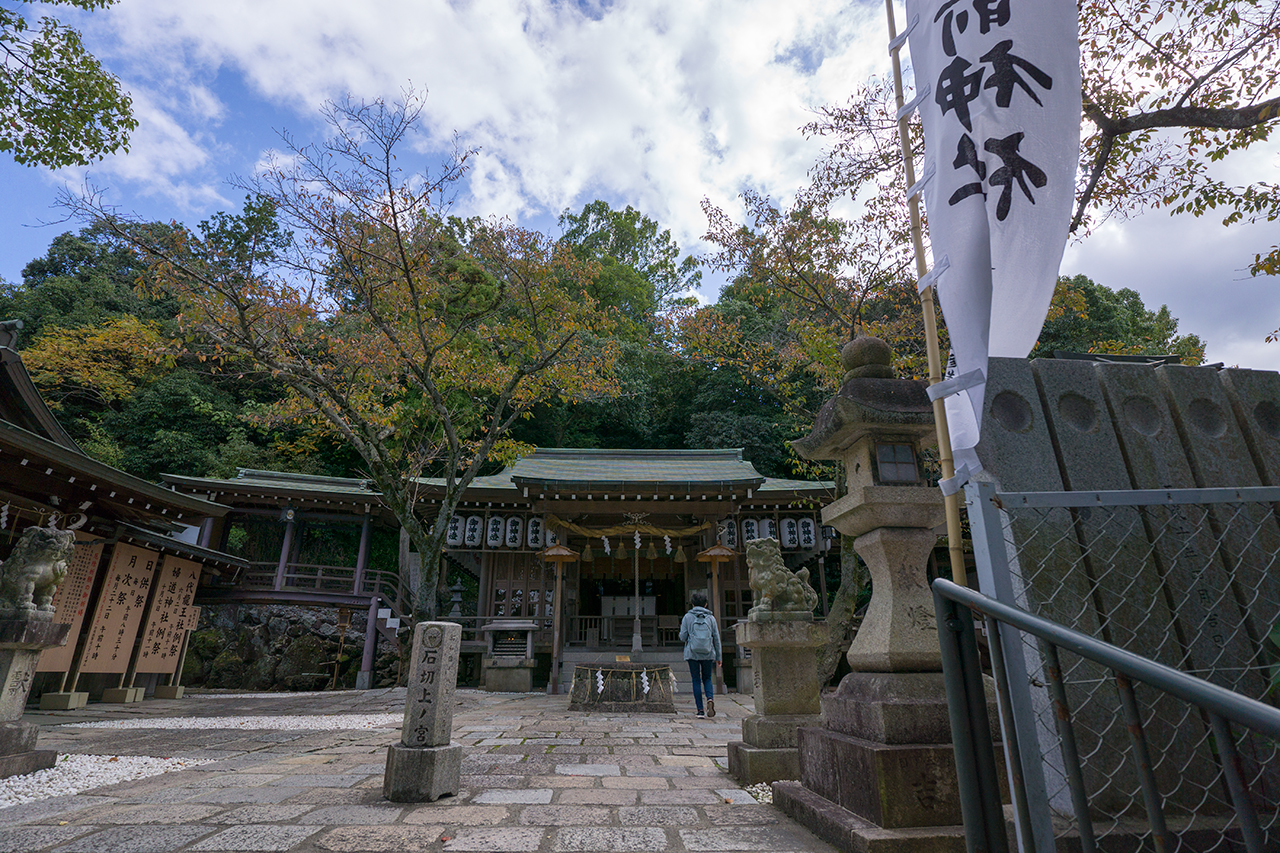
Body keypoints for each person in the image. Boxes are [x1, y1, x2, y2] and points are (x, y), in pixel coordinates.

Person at [679, 590, 721, 718]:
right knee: (707, 678)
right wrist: (719, 657)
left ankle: (700, 710)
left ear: (692, 604)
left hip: (692, 653)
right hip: (708, 653)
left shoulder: (688, 617)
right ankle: (710, 698)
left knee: (696, 679)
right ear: (706, 604)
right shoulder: (711, 618)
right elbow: (716, 638)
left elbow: (683, 636)